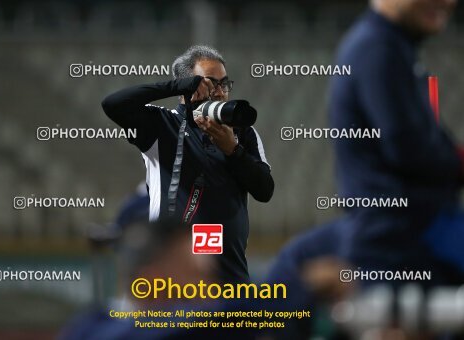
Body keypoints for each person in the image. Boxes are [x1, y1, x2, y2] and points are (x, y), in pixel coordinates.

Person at [265, 0, 464, 338]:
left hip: (404, 228)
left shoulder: (393, 48)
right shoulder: (378, 49)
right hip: (403, 236)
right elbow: (408, 148)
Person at [101, 45, 274, 283]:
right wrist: (176, 86)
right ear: (187, 88)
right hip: (173, 275)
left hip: (230, 275)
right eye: (209, 84)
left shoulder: (243, 133)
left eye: (224, 84)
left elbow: (265, 190)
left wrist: (232, 150)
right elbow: (113, 104)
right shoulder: (162, 124)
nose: (220, 92)